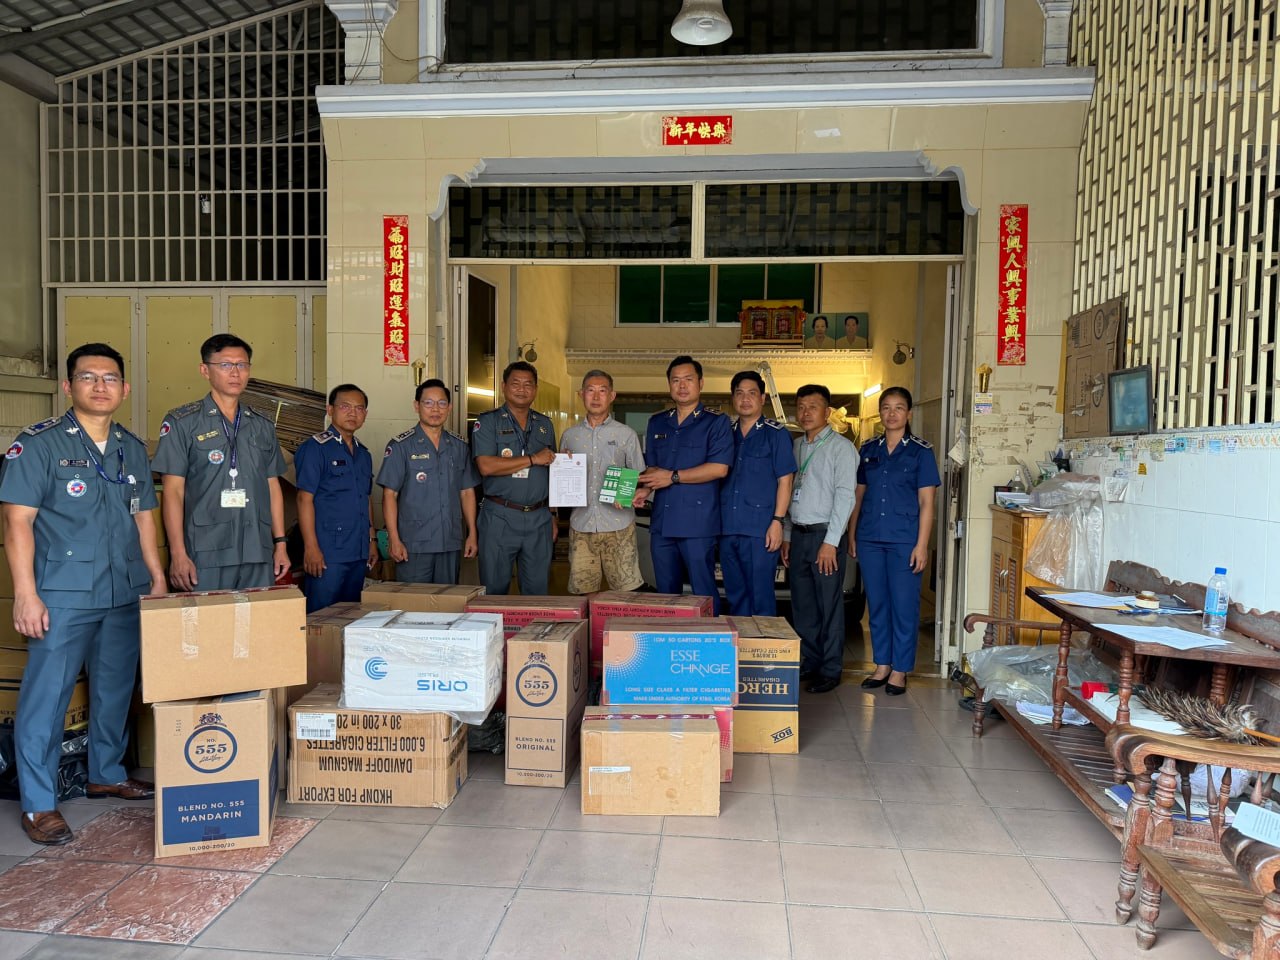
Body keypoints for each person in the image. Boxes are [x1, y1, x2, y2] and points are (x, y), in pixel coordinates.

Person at [0, 343, 166, 845]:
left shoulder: (130, 447)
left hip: (124, 587)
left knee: (115, 686)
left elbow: (144, 515)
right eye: (88, 377)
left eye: (110, 378)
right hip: (63, 593)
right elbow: (17, 521)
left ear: (125, 389)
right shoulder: (39, 444)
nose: (100, 386)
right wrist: (25, 594)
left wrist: (156, 577)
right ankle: (38, 803)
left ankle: (106, 773)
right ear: (68, 386)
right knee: (47, 696)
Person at [152, 334, 288, 591]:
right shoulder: (183, 422)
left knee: (258, 615)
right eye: (225, 365)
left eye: (242, 365)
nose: (235, 372)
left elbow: (272, 486)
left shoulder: (262, 424)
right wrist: (178, 554)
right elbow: (173, 491)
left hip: (257, 549)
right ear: (205, 370)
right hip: (206, 551)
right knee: (209, 616)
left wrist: (280, 543)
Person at [849, 386, 940, 696]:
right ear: (880, 413)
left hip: (904, 540)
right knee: (877, 605)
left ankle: (900, 669)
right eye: (886, 407)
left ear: (909, 413)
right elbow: (858, 496)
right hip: (870, 537)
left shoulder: (920, 452)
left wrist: (922, 545)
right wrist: (852, 533)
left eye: (898, 408)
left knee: (903, 605)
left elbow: (927, 503)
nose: (892, 413)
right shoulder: (868, 449)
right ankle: (882, 664)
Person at [639, 356, 732, 612]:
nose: (682, 386)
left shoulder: (716, 422)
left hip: (698, 524)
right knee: (666, 594)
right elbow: (654, 469)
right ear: (669, 384)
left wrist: (672, 477)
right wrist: (645, 489)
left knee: (703, 592)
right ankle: (671, 636)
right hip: (663, 523)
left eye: (688, 379)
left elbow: (719, 468)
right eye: (676, 380)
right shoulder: (658, 422)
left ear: (700, 383)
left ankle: (709, 636)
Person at [781, 384, 858, 694]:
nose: (805, 413)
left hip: (825, 537)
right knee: (803, 606)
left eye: (812, 407)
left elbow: (846, 497)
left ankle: (830, 668)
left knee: (829, 605)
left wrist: (831, 541)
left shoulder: (842, 448)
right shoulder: (795, 446)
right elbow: (789, 493)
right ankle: (810, 661)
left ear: (827, 412)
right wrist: (787, 535)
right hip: (799, 536)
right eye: (800, 407)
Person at [377, 380, 480, 585]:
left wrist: (472, 533)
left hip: (449, 541)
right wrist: (394, 539)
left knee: (448, 599)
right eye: (428, 403)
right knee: (414, 600)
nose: (435, 409)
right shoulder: (401, 446)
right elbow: (389, 495)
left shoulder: (459, 446)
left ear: (449, 407)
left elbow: (467, 492)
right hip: (413, 543)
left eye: (442, 403)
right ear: (417, 406)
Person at [471, 362, 557, 595]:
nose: (522, 389)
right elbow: (485, 466)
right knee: (494, 589)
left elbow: (552, 471)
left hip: (539, 518)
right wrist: (532, 459)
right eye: (515, 383)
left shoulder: (544, 424)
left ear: (535, 389)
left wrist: (552, 514)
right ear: (503, 387)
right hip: (500, 515)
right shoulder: (488, 422)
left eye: (528, 384)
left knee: (537, 590)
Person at [559, 370, 646, 594]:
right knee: (584, 594)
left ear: (612, 395)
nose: (596, 397)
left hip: (619, 525)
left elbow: (639, 476)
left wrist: (627, 494)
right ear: (581, 394)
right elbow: (562, 479)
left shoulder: (626, 434)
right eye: (590, 390)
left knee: (625, 594)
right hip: (581, 525)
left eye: (602, 391)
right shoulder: (569, 436)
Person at [718, 371, 796, 616]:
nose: (745, 399)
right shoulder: (725, 434)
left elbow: (786, 481)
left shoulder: (776, 434)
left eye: (752, 393)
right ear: (733, 398)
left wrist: (778, 522)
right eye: (739, 393)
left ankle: (763, 641)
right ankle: (742, 640)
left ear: (762, 398)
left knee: (761, 595)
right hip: (727, 528)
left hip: (760, 530)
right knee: (735, 595)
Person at [294, 384, 378, 613]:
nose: (353, 413)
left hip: (358, 550)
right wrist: (311, 547)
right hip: (327, 551)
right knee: (321, 617)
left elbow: (366, 498)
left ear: (365, 414)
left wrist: (371, 541)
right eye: (345, 406)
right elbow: (304, 499)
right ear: (330, 410)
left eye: (359, 408)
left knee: (350, 615)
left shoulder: (364, 454)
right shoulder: (315, 449)